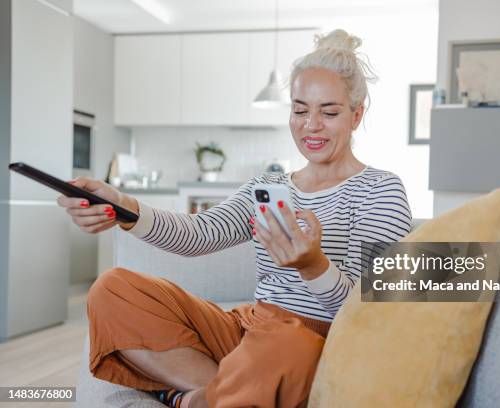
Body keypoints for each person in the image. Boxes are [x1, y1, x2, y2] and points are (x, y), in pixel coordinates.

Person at [58, 29, 412, 408]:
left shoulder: (381, 190)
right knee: (111, 290)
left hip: (314, 343)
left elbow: (374, 313)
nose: (311, 125)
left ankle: (192, 400)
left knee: (286, 346)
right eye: (299, 110)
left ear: (356, 115)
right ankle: (230, 391)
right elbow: (198, 234)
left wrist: (314, 266)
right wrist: (122, 205)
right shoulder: (269, 185)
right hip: (250, 329)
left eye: (329, 111)